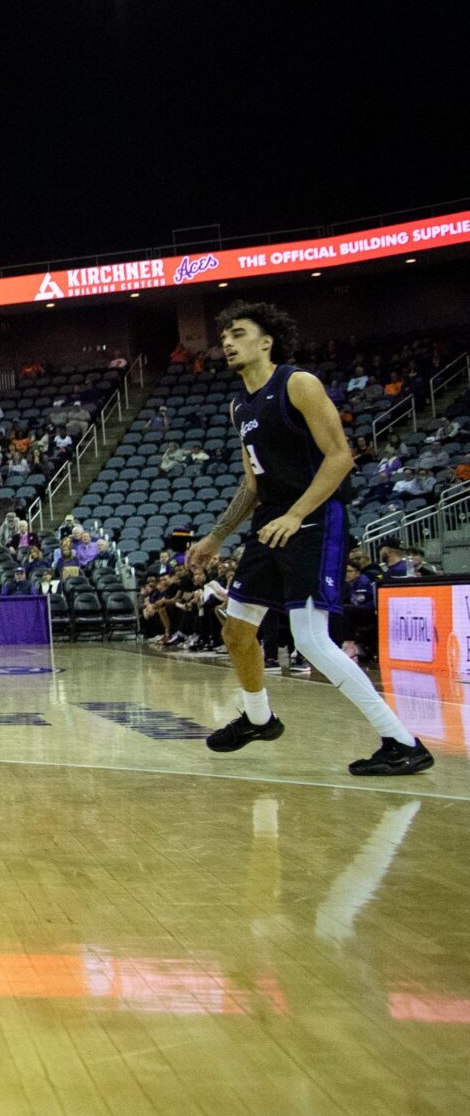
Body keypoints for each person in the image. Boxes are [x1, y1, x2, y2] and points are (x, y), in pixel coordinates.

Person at [189, 302, 430, 774]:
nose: (228, 343)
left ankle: (402, 742)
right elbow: (253, 485)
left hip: (315, 516)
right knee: (236, 630)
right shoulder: (240, 405)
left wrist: (298, 514)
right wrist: (216, 536)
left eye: (238, 334)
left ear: (266, 341)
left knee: (312, 641)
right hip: (273, 520)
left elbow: (340, 457)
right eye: (224, 338)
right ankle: (259, 719)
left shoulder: (297, 384)